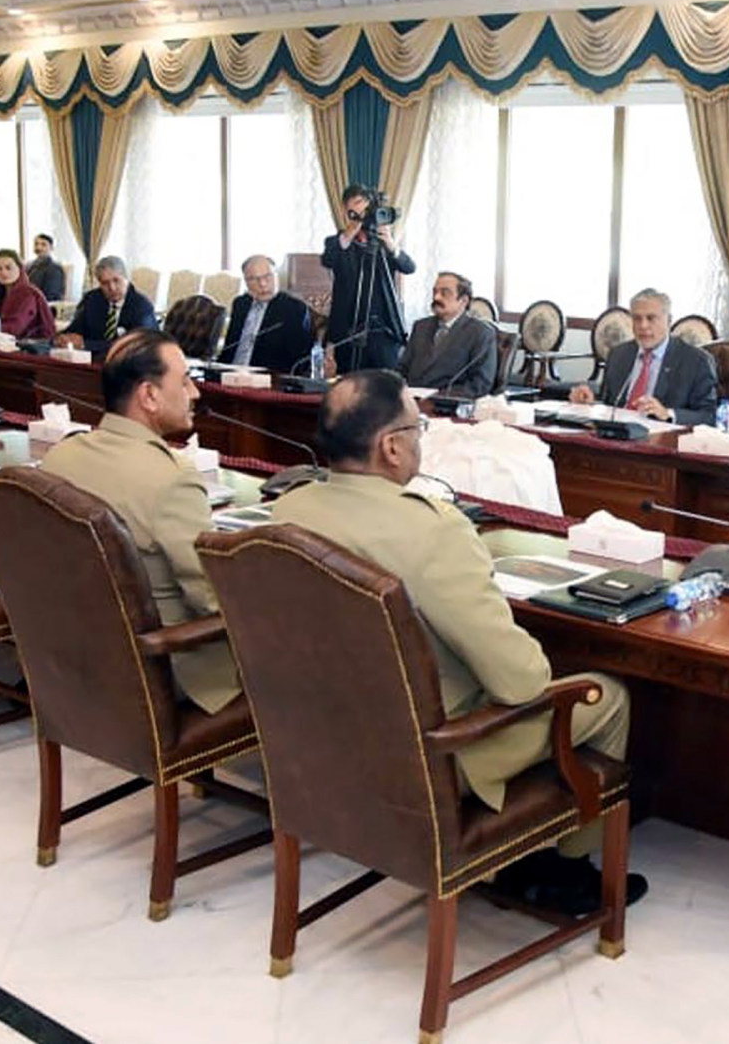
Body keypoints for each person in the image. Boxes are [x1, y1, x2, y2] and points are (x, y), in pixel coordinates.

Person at [272, 369, 646, 916]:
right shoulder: (433, 530)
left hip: (326, 742)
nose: (421, 438)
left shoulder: (289, 511)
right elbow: (521, 683)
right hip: (433, 753)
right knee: (604, 694)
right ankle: (560, 870)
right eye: (417, 427)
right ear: (392, 447)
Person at [40, 329, 237, 714]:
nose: (195, 393)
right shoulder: (172, 479)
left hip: (79, 655)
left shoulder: (61, 457)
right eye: (184, 382)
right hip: (164, 667)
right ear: (148, 396)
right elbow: (211, 600)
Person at [568, 287, 718, 426]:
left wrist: (668, 414)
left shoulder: (695, 361)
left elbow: (709, 416)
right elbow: (611, 404)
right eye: (637, 318)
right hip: (616, 438)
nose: (643, 326)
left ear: (669, 320)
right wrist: (590, 404)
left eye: (651, 318)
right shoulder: (619, 355)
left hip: (660, 444)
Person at [320, 183, 416, 373]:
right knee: (349, 386)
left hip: (382, 330)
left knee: (385, 387)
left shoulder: (383, 243)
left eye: (365, 203)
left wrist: (390, 243)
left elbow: (409, 267)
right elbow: (329, 259)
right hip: (348, 329)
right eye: (356, 203)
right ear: (346, 210)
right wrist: (352, 229)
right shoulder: (338, 242)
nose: (363, 208)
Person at [400, 271, 498, 398]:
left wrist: (438, 397)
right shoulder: (420, 327)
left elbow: (480, 384)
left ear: (463, 301)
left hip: (449, 405)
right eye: (435, 292)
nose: (436, 298)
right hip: (411, 401)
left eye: (445, 293)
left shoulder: (481, 333)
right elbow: (402, 369)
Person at [217, 254, 315, 371]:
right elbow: (229, 348)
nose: (263, 284)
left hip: (265, 379)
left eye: (268, 276)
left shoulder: (294, 308)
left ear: (276, 276)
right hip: (229, 374)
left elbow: (298, 360)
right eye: (254, 279)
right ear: (246, 282)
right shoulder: (240, 304)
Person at [58, 255, 156, 360]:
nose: (112, 288)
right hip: (91, 363)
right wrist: (64, 338)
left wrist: (86, 345)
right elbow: (75, 329)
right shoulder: (92, 299)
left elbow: (135, 345)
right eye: (105, 283)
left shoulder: (141, 306)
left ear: (126, 279)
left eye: (116, 280)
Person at [0, 249, 56, 339]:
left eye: (8, 268)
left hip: (30, 347)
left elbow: (14, 329)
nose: (4, 273)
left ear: (20, 269)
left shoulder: (28, 294)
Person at [26, 234, 67, 302]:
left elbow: (51, 295)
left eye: (43, 245)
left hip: (44, 305)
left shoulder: (54, 268)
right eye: (36, 244)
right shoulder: (29, 266)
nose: (39, 247)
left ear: (51, 248)